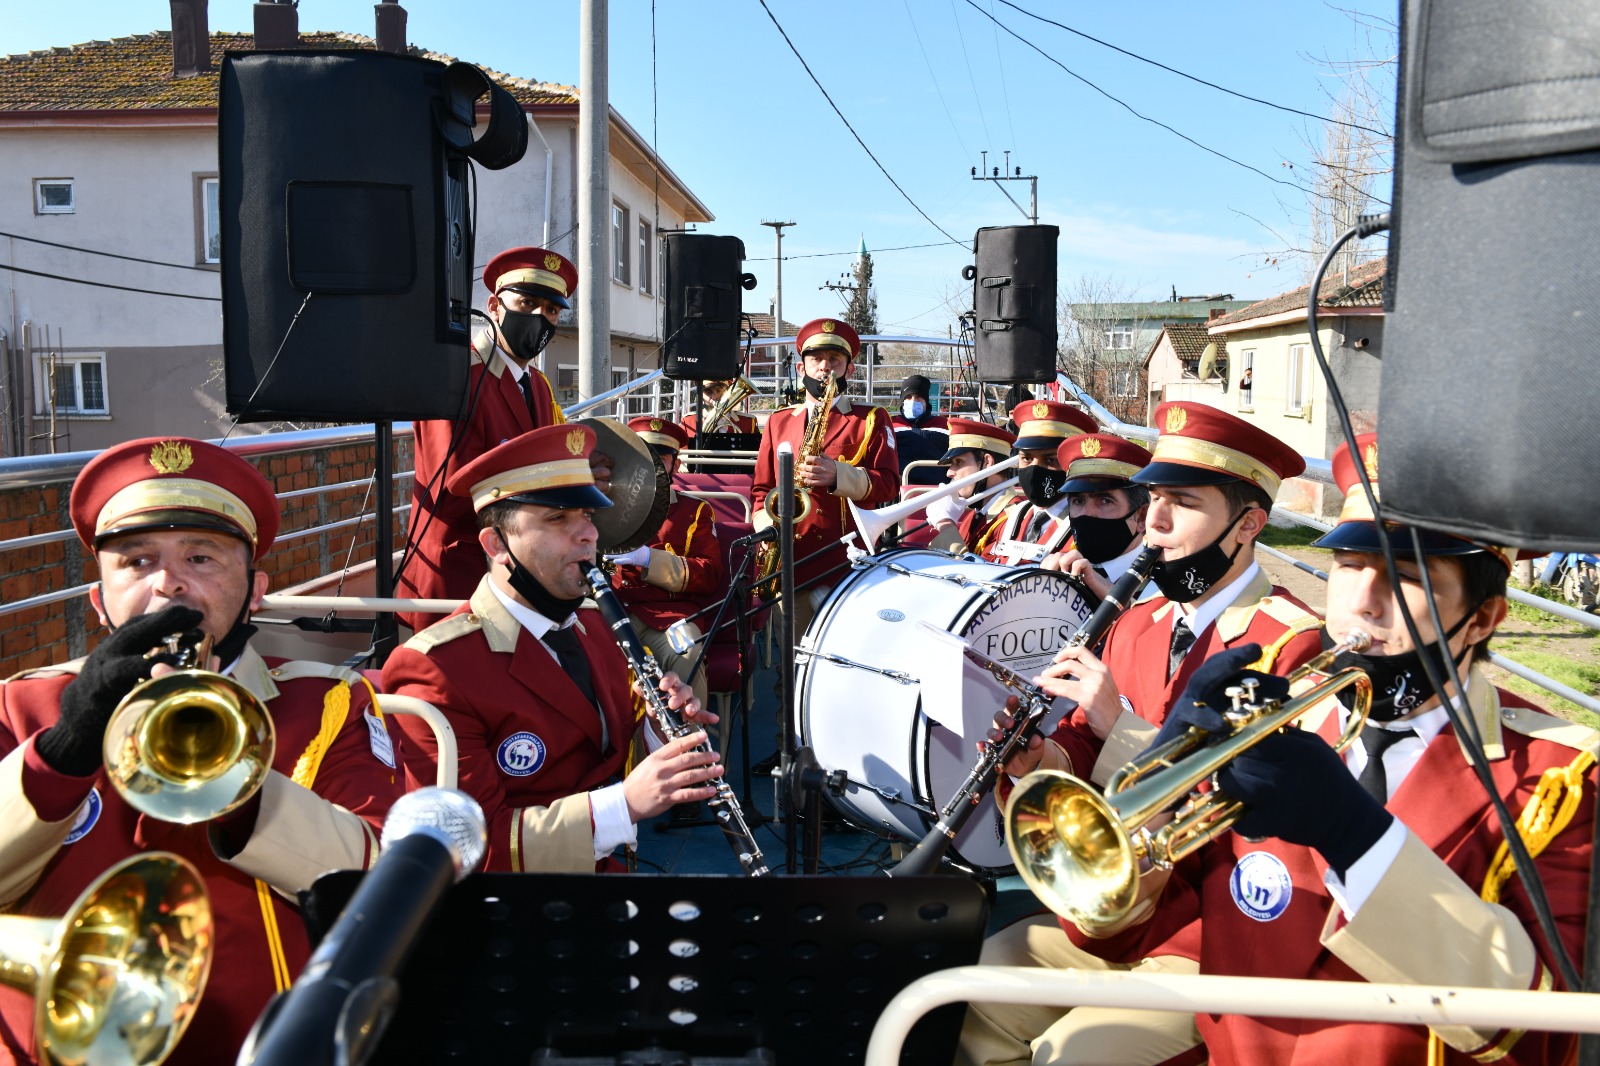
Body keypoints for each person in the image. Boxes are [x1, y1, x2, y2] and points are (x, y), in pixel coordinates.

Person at [1046, 432, 1597, 1063]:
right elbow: (1118, 935)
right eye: (1349, 566)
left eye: (1405, 578)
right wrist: (1157, 785)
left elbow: (1543, 1034)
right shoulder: (1274, 717)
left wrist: (1357, 837)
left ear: (1482, 619)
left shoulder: (1562, 778)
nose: (1362, 604)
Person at [0, 437, 402, 1065]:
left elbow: (377, 883)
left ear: (255, 591)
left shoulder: (325, 702)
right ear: (99, 601)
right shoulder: (25, 706)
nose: (168, 584)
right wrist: (64, 750)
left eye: (200, 557)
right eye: (137, 561)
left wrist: (234, 780)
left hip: (263, 1044)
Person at [960, 403, 1322, 1066]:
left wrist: (1120, 725)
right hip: (1117, 919)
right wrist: (1038, 759)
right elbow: (1083, 748)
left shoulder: (1289, 645)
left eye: (1182, 503)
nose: (1154, 522)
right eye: (1154, 498)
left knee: (1071, 1055)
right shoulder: (1137, 624)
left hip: (1210, 934)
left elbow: (1258, 814)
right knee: (967, 996)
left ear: (1248, 524)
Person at [381, 425, 725, 873]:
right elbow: (468, 849)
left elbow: (612, 756)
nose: (589, 534)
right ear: (496, 544)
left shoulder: (597, 627)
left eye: (587, 514)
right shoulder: (435, 670)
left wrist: (662, 729)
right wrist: (622, 805)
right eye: (558, 519)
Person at [397, 246, 577, 632]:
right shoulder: (455, 374)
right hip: (460, 570)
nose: (539, 318)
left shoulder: (538, 385)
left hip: (518, 570)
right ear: (494, 306)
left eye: (551, 310)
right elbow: (453, 482)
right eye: (527, 303)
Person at [751, 317, 899, 636]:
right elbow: (761, 490)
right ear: (801, 368)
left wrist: (838, 475)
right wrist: (767, 532)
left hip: (846, 561)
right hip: (790, 560)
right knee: (792, 658)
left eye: (835, 359)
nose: (825, 367)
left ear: (850, 369)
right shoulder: (777, 422)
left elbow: (889, 484)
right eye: (816, 359)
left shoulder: (871, 419)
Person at [605, 417, 725, 710]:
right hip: (614, 609)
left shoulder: (695, 511)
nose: (651, 464)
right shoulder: (604, 506)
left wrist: (649, 559)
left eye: (661, 457)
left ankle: (692, 734)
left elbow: (710, 575)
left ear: (676, 465)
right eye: (643, 454)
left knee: (687, 655)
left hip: (672, 615)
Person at [1039, 432, 1152, 600]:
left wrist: (1112, 597)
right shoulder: (1058, 569)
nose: (1087, 513)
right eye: (1078, 501)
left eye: (1105, 501)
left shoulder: (1161, 585)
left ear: (1142, 516)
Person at [988, 399, 1098, 567]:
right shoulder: (1010, 518)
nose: (1034, 469)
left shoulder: (1088, 529)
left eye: (1051, 460)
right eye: (1026, 458)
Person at [937, 417, 1019, 558]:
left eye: (958, 462)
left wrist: (945, 525)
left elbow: (975, 570)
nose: (949, 472)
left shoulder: (1013, 519)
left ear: (987, 462)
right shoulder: (974, 515)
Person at [891, 373, 950, 488]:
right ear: (902, 401)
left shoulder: (944, 425)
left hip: (936, 490)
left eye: (918, 397)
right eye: (908, 397)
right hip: (898, 490)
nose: (913, 401)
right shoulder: (890, 424)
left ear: (926, 401)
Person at [683, 378, 759, 438]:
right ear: (700, 393)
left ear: (728, 391)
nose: (715, 397)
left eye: (719, 390)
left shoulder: (748, 422)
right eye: (708, 392)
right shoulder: (688, 421)